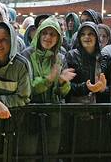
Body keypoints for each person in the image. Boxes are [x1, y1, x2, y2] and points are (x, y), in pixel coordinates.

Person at [20, 16, 74, 160]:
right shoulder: (26, 55)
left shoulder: (61, 58)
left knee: (51, 155)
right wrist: (48, 80)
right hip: (29, 116)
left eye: (53, 34)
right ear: (38, 34)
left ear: (58, 38)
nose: (48, 37)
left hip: (54, 118)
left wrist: (62, 83)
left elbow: (63, 93)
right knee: (29, 154)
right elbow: (26, 87)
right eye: (45, 33)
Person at [66, 22, 111, 103]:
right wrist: (86, 87)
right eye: (83, 34)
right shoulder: (71, 56)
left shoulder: (105, 57)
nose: (86, 37)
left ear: (96, 37)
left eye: (90, 34)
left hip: (100, 107)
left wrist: (103, 89)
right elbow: (66, 86)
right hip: (77, 107)